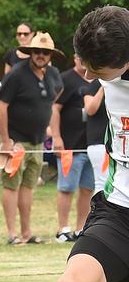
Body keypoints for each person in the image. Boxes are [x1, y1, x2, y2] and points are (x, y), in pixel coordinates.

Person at [3, 5, 129, 282]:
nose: (86, 73)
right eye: (83, 63)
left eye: (95, 68)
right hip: (119, 211)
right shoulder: (100, 71)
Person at [0, 31, 63, 245]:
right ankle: (12, 234)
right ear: (30, 53)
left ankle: (26, 232)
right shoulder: (17, 74)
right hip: (15, 140)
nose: (41, 55)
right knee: (11, 185)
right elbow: (1, 106)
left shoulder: (53, 74)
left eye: (45, 52)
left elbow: (54, 100)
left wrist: (49, 128)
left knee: (28, 186)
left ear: (50, 55)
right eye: (37, 51)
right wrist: (6, 141)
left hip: (37, 141)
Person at [51, 54, 95, 242]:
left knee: (87, 189)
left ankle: (80, 228)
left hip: (91, 144)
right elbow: (54, 108)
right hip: (70, 145)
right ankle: (63, 229)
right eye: (79, 56)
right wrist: (56, 136)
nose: (82, 60)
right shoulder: (66, 79)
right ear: (74, 58)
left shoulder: (97, 78)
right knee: (67, 188)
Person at [83, 65, 108, 194]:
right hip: (98, 143)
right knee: (102, 183)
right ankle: (100, 213)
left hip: (116, 142)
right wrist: (103, 87)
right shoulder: (94, 85)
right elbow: (90, 109)